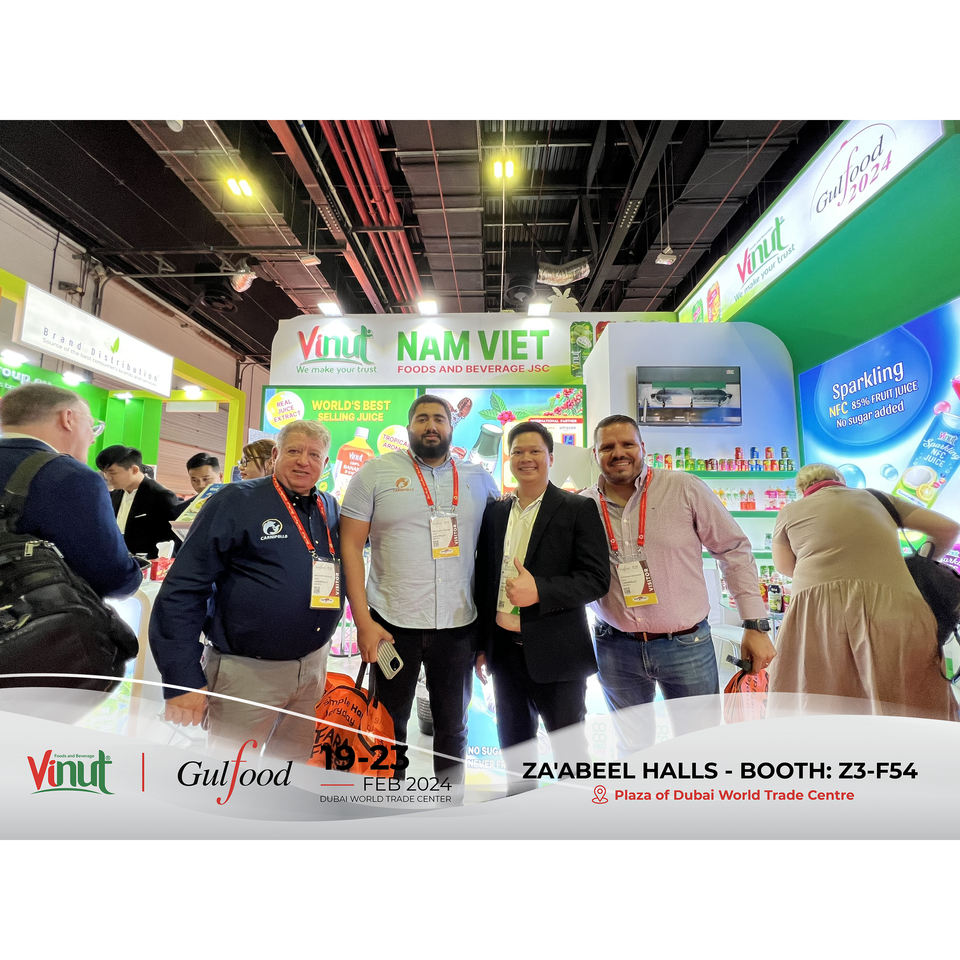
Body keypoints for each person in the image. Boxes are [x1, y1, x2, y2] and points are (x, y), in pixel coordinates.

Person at [149, 419, 344, 759]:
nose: (303, 461)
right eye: (294, 451)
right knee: (232, 776)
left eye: (314, 455)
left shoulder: (327, 507)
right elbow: (183, 589)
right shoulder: (236, 500)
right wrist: (182, 678)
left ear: (325, 463)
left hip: (312, 670)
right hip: (247, 674)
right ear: (275, 455)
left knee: (292, 772)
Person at [581, 415, 775, 754]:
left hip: (686, 646)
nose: (618, 453)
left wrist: (755, 625)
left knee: (698, 748)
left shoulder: (684, 487)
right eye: (607, 447)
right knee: (633, 750)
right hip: (614, 648)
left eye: (627, 444)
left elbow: (733, 549)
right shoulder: (583, 505)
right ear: (595, 454)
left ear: (643, 447)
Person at [340, 395, 498, 783]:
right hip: (391, 625)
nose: (431, 426)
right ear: (409, 426)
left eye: (439, 419)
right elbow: (350, 547)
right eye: (422, 418)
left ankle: (448, 803)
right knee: (387, 726)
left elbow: (499, 548)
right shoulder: (375, 473)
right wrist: (363, 622)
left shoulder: (479, 478)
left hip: (458, 626)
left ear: (451, 426)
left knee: (453, 728)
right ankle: (388, 801)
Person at [474, 421, 610, 790]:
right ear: (508, 459)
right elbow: (485, 581)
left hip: (558, 653)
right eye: (518, 452)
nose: (526, 458)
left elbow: (596, 579)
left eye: (535, 451)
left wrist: (541, 591)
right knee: (515, 748)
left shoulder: (577, 508)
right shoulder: (495, 513)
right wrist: (482, 646)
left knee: (570, 754)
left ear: (550, 457)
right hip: (505, 653)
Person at [769, 462, 959, 720]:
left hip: (820, 615)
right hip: (897, 606)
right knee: (909, 697)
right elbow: (948, 529)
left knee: (823, 698)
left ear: (802, 489)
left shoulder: (789, 512)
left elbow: (784, 567)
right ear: (841, 480)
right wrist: (920, 560)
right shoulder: (877, 499)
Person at [0, 383, 141, 599]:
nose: (93, 438)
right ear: (68, 418)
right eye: (91, 426)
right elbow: (115, 580)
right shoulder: (71, 477)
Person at [95, 444, 181, 559]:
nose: (108, 478)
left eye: (112, 473)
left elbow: (171, 540)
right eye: (105, 473)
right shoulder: (113, 495)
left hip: (148, 563)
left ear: (134, 470)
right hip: (117, 559)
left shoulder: (161, 496)